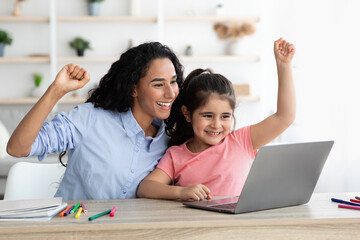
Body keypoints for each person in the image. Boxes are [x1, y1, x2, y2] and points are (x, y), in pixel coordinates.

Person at [6, 42, 184, 200]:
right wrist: (56, 91)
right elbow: (17, 148)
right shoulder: (89, 119)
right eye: (158, 84)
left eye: (173, 82)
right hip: (73, 231)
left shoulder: (167, 141)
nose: (170, 93)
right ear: (133, 89)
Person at [137, 38, 296, 201]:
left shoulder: (241, 141)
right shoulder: (176, 156)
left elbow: (285, 117)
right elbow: (146, 188)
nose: (216, 125)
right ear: (187, 114)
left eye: (225, 116)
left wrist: (284, 66)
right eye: (207, 116)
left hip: (238, 225)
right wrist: (181, 192)